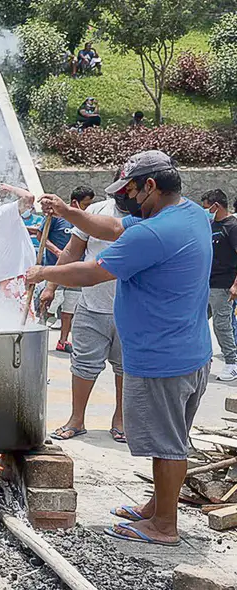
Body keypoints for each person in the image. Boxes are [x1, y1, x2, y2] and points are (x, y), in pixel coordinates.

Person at [30, 150, 211, 547]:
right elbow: (111, 225)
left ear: (150, 186)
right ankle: (156, 506)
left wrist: (43, 272)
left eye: (129, 189)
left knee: (167, 444)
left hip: (162, 356)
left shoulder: (154, 233)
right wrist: (65, 210)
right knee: (172, 437)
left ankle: (164, 525)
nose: (124, 198)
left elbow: (93, 273)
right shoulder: (190, 213)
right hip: (189, 350)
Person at [39, 181, 128, 444]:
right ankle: (76, 420)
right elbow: (71, 252)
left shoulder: (146, 216)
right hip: (91, 305)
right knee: (83, 365)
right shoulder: (97, 211)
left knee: (126, 367)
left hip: (130, 309)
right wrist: (50, 285)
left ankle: (121, 419)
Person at [46, 187, 96, 353]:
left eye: (90, 204)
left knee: (69, 311)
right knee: (48, 307)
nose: (88, 207)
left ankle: (62, 341)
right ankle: (37, 337)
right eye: (85, 204)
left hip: (76, 274)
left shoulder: (88, 220)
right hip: (56, 271)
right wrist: (56, 252)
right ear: (75, 203)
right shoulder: (57, 218)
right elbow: (42, 237)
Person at [0, 185, 38, 317]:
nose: (29, 208)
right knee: (20, 322)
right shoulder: (4, 212)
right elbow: (29, 198)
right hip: (13, 276)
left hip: (11, 275)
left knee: (9, 320)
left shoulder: (2, 217)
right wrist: (11, 187)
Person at [202, 189, 237, 381]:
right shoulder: (212, 224)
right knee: (196, 320)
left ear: (216, 206)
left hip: (223, 284)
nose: (205, 211)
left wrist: (235, 285)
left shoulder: (232, 226)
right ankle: (203, 358)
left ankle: (231, 363)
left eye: (207, 208)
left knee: (221, 324)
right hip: (207, 283)